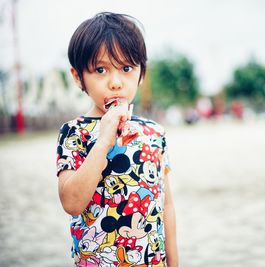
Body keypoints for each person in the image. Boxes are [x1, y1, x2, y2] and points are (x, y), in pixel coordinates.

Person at [56, 12, 178, 267]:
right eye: (100, 69)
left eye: (126, 68)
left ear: (142, 73)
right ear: (78, 76)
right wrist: (103, 141)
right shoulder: (74, 133)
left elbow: (166, 206)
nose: (115, 83)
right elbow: (71, 203)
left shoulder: (155, 133)